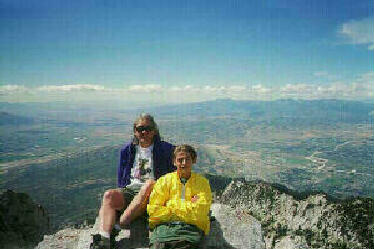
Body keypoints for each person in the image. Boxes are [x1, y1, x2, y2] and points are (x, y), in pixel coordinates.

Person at [90, 113, 175, 249]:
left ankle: (119, 225)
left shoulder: (167, 149)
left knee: (149, 184)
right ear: (135, 131)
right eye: (140, 129)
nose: (144, 132)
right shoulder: (127, 151)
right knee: (109, 195)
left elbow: (174, 176)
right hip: (131, 191)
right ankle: (104, 239)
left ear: (154, 131)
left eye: (148, 128)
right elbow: (121, 179)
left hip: (155, 193)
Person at [147, 144, 212, 249]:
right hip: (163, 232)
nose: (184, 163)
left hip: (189, 232)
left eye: (187, 159)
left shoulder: (202, 183)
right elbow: (154, 211)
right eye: (180, 160)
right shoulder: (164, 181)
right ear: (174, 162)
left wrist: (169, 205)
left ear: (193, 160)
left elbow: (200, 212)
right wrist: (189, 206)